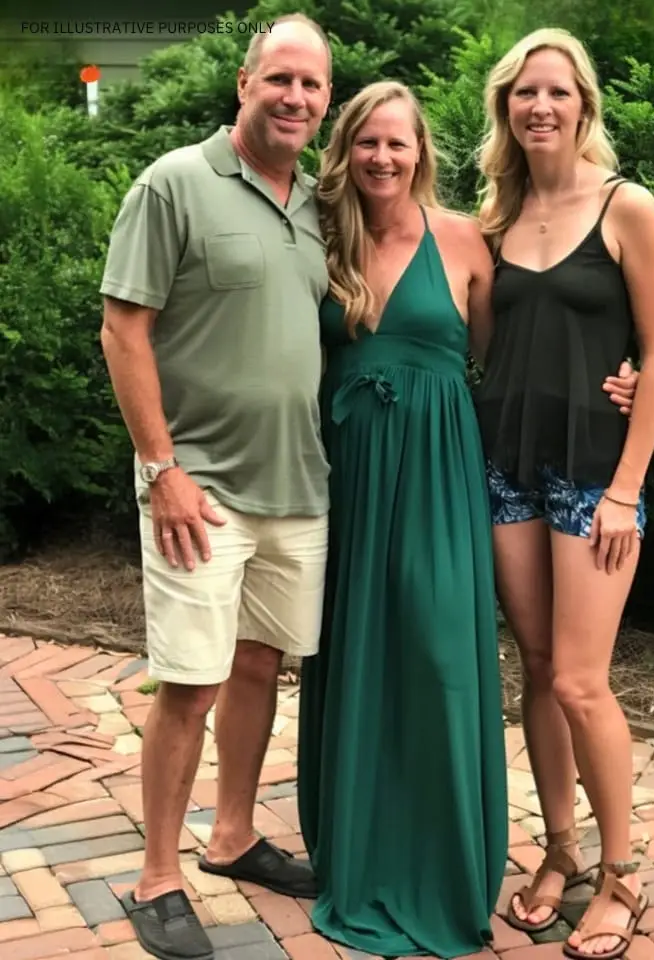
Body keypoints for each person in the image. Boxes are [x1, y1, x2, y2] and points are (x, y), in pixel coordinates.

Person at [295, 79, 637, 959]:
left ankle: (455, 866)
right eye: (366, 141)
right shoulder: (318, 238)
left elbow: (504, 356)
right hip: (351, 479)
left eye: (397, 142)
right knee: (360, 653)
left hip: (445, 475)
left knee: (443, 656)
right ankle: (365, 851)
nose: (382, 156)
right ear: (345, 150)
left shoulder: (466, 240)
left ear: (422, 151)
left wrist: (622, 378)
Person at [99, 16, 334, 960]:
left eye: (311, 85)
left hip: (297, 485)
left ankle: (232, 836)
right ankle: (157, 876)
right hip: (198, 492)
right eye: (280, 79)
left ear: (325, 100)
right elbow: (123, 329)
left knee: (258, 668)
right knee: (191, 683)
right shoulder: (174, 183)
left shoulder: (320, 202)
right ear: (245, 83)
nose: (294, 98)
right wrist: (161, 470)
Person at [473, 28, 654, 960]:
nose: (540, 106)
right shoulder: (496, 218)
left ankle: (620, 874)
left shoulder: (626, 206)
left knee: (580, 681)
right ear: (506, 108)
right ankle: (559, 852)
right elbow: (485, 345)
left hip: (595, 473)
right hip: (506, 465)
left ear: (584, 104)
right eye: (525, 92)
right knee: (537, 665)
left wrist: (627, 489)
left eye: (557, 91)